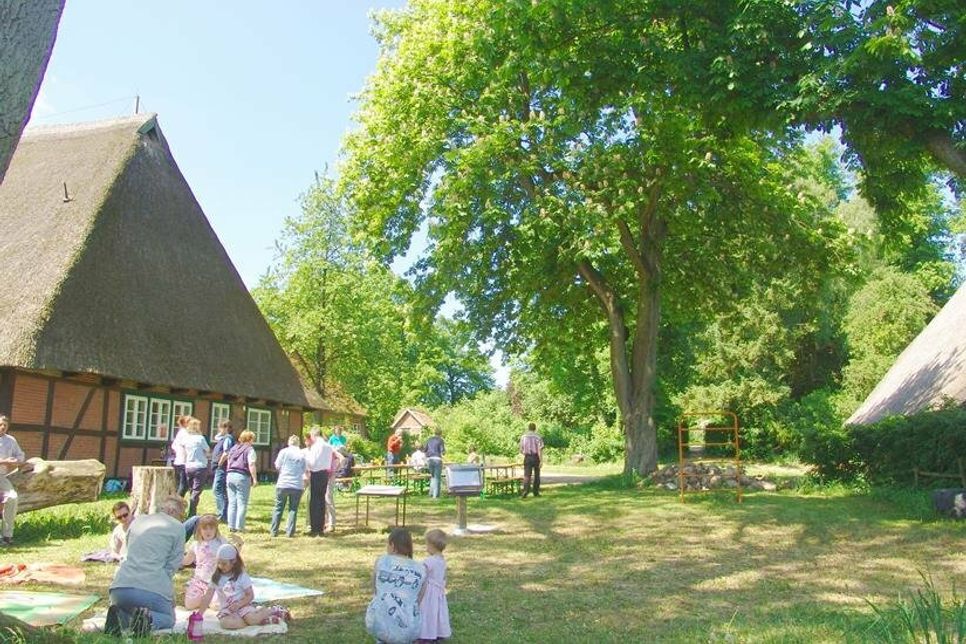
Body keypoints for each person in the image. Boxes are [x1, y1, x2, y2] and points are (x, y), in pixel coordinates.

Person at [106, 495, 186, 635]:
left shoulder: (138, 521)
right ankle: (147, 621)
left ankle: (120, 617)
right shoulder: (178, 527)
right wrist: (168, 595)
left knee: (128, 609)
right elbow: (172, 565)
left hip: (118, 587)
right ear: (174, 512)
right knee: (168, 618)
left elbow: (126, 553)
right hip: (149, 589)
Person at [195, 543, 289, 629]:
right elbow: (208, 596)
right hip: (227, 610)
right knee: (226, 624)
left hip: (243, 606)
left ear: (234, 561)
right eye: (218, 563)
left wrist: (239, 604)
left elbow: (250, 595)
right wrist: (199, 614)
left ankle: (272, 610)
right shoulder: (216, 577)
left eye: (224, 564)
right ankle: (259, 621)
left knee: (252, 618)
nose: (220, 566)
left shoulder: (241, 575)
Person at [366, 527, 427, 644]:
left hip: (379, 622)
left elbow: (375, 588)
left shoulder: (381, 561)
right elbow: (419, 598)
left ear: (392, 545)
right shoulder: (421, 569)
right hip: (409, 626)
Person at [182, 514, 229, 610]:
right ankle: (203, 597)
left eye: (211, 528)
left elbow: (232, 556)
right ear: (200, 530)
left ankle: (211, 598)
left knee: (216, 606)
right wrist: (174, 555)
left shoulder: (221, 542)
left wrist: (239, 546)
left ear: (216, 530)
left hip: (217, 582)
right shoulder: (196, 544)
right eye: (205, 529)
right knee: (190, 605)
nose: (208, 531)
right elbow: (187, 561)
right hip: (199, 581)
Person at [303, 427, 340, 537]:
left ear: (314, 435)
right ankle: (321, 528)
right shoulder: (328, 446)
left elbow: (311, 461)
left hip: (316, 473)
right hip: (325, 474)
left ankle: (314, 529)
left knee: (314, 501)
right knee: (322, 501)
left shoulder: (316, 446)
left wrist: (307, 466)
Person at [0, 415, 30, 546]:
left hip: (1, 477)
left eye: (5, 426)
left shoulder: (11, 440)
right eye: (0, 424)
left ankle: (7, 536)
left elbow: (20, 455)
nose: (2, 428)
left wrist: (18, 462)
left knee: (12, 498)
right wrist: (5, 461)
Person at [418, 529, 452, 643]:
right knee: (436, 612)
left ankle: (426, 633)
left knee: (427, 612)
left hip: (429, 593)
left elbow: (422, 573)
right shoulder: (442, 560)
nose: (426, 547)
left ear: (432, 545)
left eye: (427, 544)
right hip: (438, 592)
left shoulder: (430, 561)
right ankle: (436, 631)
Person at [271, 435, 307, 538]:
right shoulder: (302, 453)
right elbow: (304, 469)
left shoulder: (284, 452)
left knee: (278, 507)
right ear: (298, 443)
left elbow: (277, 465)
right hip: (297, 484)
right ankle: (290, 532)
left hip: (283, 483)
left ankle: (274, 531)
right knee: (293, 509)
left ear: (289, 442)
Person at [225, 430, 258, 533]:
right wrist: (254, 479)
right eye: (253, 439)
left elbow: (229, 461)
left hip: (230, 475)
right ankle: (240, 526)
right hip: (242, 476)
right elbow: (251, 464)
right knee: (242, 502)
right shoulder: (250, 450)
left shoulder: (234, 448)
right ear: (250, 439)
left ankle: (231, 525)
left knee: (232, 502)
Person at [180, 418, 211, 518]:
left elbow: (184, 451)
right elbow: (207, 450)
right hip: (200, 466)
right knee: (196, 491)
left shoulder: (186, 439)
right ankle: (192, 513)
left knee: (191, 489)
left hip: (188, 466)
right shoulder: (200, 438)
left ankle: (189, 510)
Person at [210, 420, 235, 523]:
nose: (219, 430)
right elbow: (216, 437)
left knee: (217, 490)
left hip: (222, 468)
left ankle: (221, 514)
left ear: (226, 428)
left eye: (220, 428)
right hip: (220, 467)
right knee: (223, 491)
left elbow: (226, 453)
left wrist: (220, 463)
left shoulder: (228, 439)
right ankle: (224, 514)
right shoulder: (223, 438)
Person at [520, 422, 544, 498]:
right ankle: (535, 492)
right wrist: (541, 460)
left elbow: (521, 449)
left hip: (527, 457)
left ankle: (525, 491)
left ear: (528, 428)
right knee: (537, 475)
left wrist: (525, 454)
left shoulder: (523, 437)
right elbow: (540, 449)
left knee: (527, 475)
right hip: (536, 456)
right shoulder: (538, 437)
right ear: (535, 428)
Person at [170, 415, 191, 497]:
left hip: (178, 461)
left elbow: (173, 445)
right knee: (183, 485)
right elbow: (187, 446)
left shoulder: (180, 432)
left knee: (180, 485)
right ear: (185, 423)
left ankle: (176, 502)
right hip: (183, 462)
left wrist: (178, 452)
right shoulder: (185, 433)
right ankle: (177, 503)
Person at [423, 428, 446, 499]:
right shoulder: (440, 440)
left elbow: (424, 450)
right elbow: (443, 451)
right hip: (437, 459)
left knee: (433, 476)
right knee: (437, 477)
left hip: (429, 459)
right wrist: (444, 452)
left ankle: (431, 493)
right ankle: (435, 495)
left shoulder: (429, 439)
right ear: (440, 434)